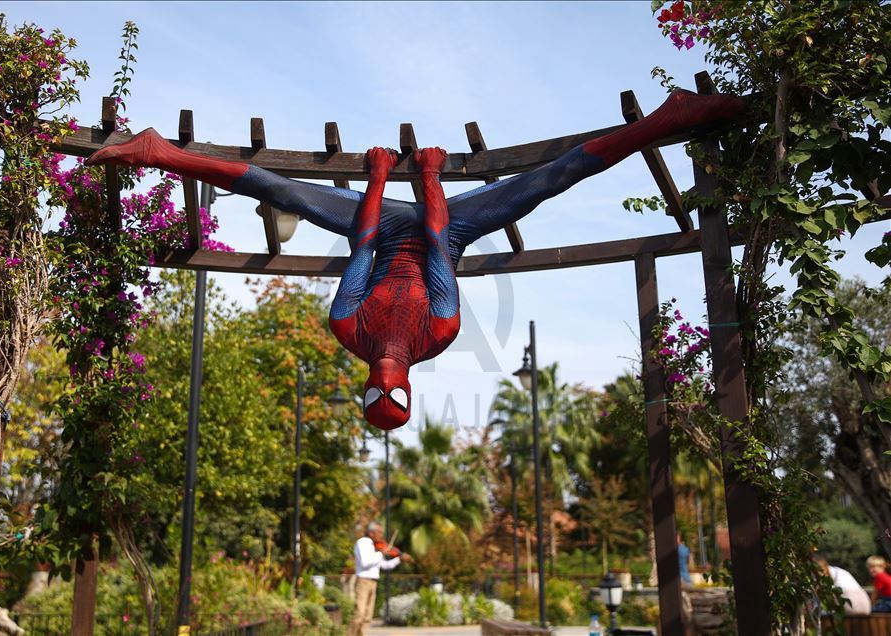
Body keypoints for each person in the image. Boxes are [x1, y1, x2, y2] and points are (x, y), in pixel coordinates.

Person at [86, 90, 743, 431]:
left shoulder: (348, 329)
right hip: (444, 230)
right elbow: (435, 244)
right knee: (549, 180)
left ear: (364, 387)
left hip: (373, 226)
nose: (383, 380)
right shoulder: (441, 330)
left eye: (373, 393)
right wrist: (429, 177)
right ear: (407, 389)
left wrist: (375, 180)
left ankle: (157, 152)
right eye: (392, 394)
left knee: (277, 188)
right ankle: (667, 117)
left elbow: (363, 246)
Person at [348, 522, 411, 636]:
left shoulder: (374, 546)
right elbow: (365, 562)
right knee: (359, 614)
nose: (381, 535)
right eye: (379, 532)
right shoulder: (362, 543)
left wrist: (399, 559)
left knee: (367, 617)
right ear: (371, 532)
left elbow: (385, 565)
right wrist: (380, 554)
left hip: (373, 582)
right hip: (363, 581)